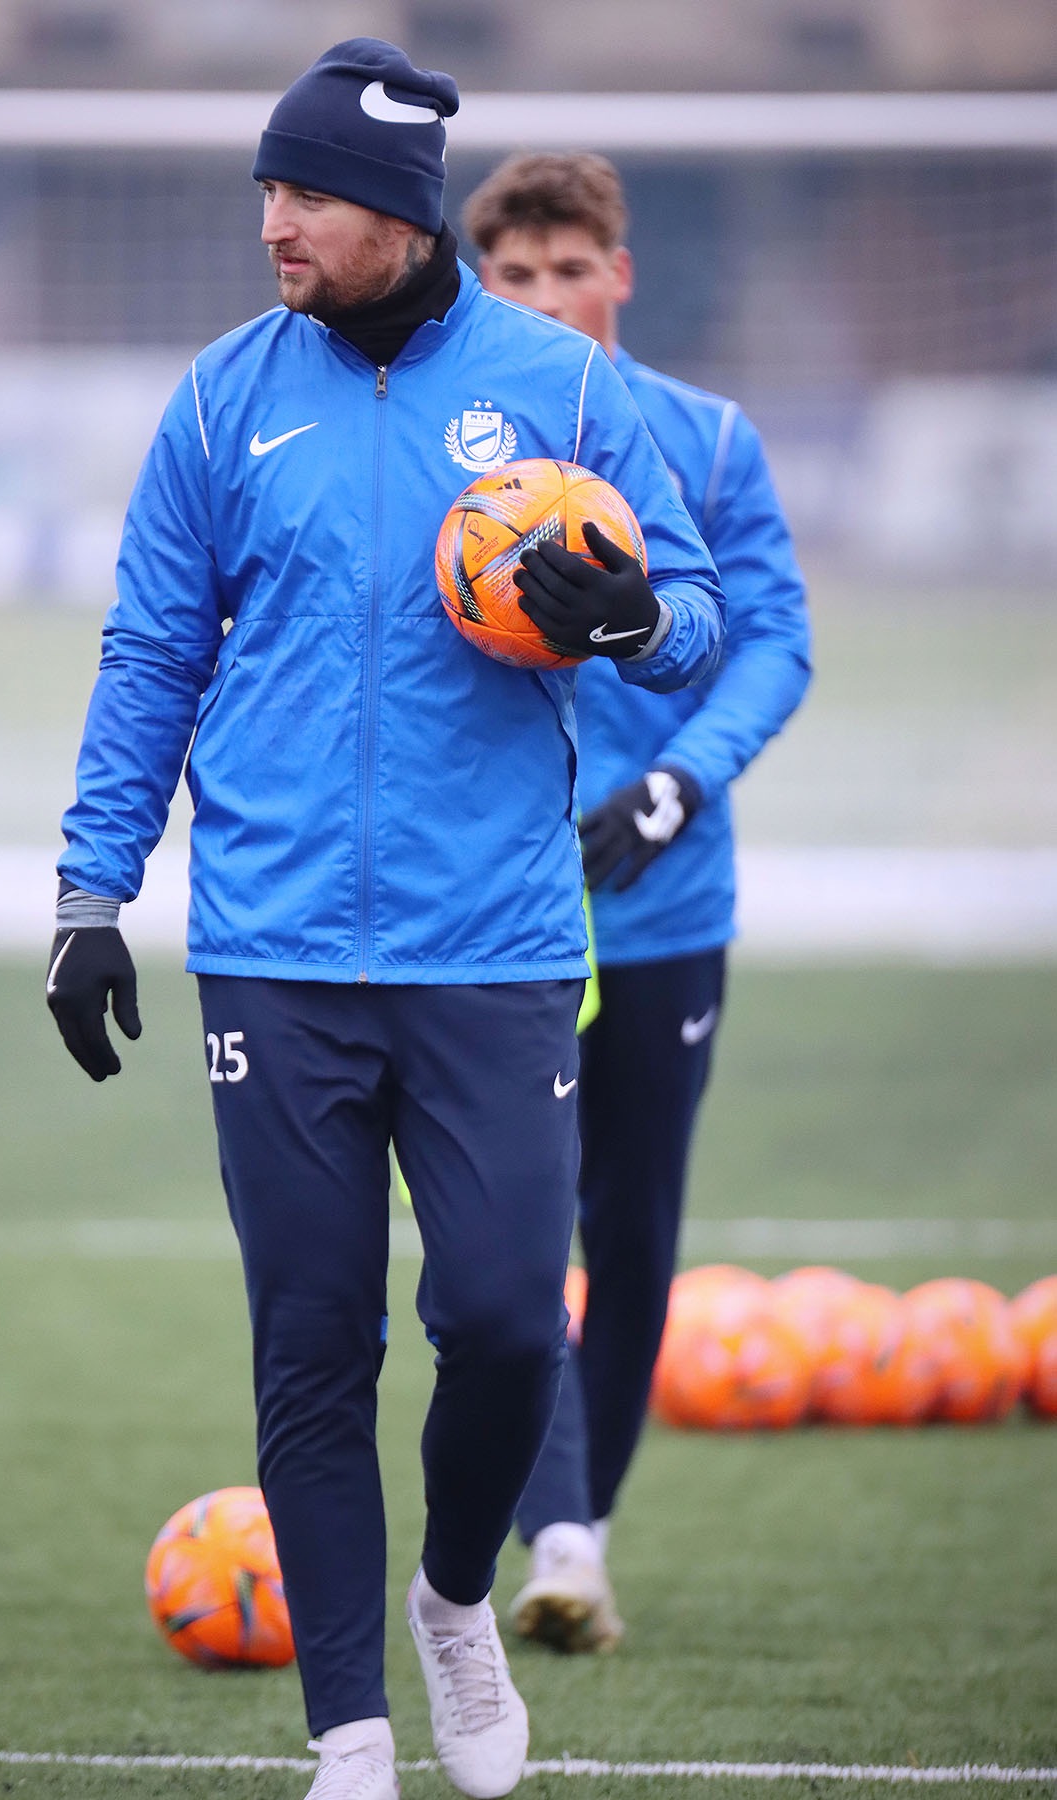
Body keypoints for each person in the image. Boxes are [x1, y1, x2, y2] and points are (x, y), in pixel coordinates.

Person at [46, 46, 725, 1800]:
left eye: (309, 194)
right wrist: (91, 892)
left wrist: (627, 620)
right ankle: (345, 1733)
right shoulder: (220, 399)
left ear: (401, 215)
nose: (275, 222)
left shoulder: (560, 389)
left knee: (501, 1320)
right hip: (270, 951)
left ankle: (453, 1600)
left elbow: (697, 615)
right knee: (310, 1343)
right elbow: (150, 651)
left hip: (493, 949)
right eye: (266, 190)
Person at [467, 152, 812, 1653]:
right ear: (481, 284)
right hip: (497, 913)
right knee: (510, 1237)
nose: (548, 300)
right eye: (516, 276)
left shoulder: (709, 439)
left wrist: (678, 782)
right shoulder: (454, 446)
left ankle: (577, 1533)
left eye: (571, 271)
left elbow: (775, 641)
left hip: (665, 906)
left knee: (632, 1231)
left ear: (621, 274)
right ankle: (554, 1532)